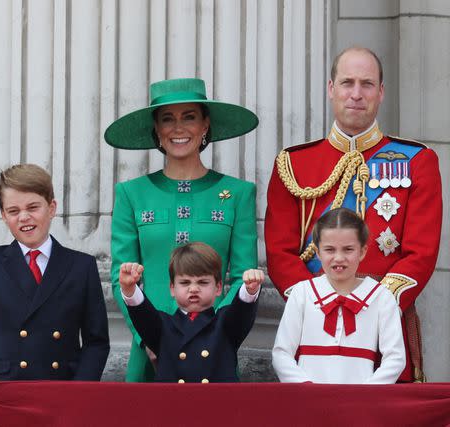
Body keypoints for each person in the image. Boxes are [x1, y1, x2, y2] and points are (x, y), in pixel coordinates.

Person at [264, 47, 442, 382]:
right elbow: (279, 253)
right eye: (347, 83)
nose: (356, 94)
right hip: (312, 331)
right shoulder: (293, 164)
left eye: (367, 84)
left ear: (381, 92)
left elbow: (421, 253)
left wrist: (373, 307)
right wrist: (319, 306)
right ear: (331, 89)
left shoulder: (418, 160)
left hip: (384, 331)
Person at [105, 77, 259, 382]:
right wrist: (149, 337)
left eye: (189, 117)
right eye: (167, 119)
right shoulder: (130, 193)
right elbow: (119, 276)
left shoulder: (238, 193)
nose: (178, 128)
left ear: (205, 125)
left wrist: (218, 334)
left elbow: (244, 275)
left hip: (214, 348)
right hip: (150, 347)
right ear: (157, 131)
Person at [0, 164, 110, 381]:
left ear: (52, 208)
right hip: (4, 390)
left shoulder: (81, 266)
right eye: (13, 211)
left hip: (62, 387)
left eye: (33, 207)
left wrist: (80, 390)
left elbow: (96, 342)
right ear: (4, 215)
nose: (24, 217)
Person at [272, 208, 406, 383]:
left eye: (348, 249)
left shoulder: (382, 297)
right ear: (318, 252)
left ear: (363, 251)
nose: (339, 258)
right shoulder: (302, 293)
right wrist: (305, 388)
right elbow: (281, 353)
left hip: (360, 403)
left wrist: (366, 394)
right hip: (307, 400)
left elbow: (395, 358)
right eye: (330, 250)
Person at [118, 242, 262, 383]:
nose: (193, 289)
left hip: (218, 404)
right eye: (185, 283)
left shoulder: (225, 323)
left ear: (218, 288)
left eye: (203, 282)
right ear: (172, 288)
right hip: (174, 404)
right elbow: (142, 314)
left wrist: (249, 289)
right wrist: (129, 289)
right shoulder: (163, 326)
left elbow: (241, 312)